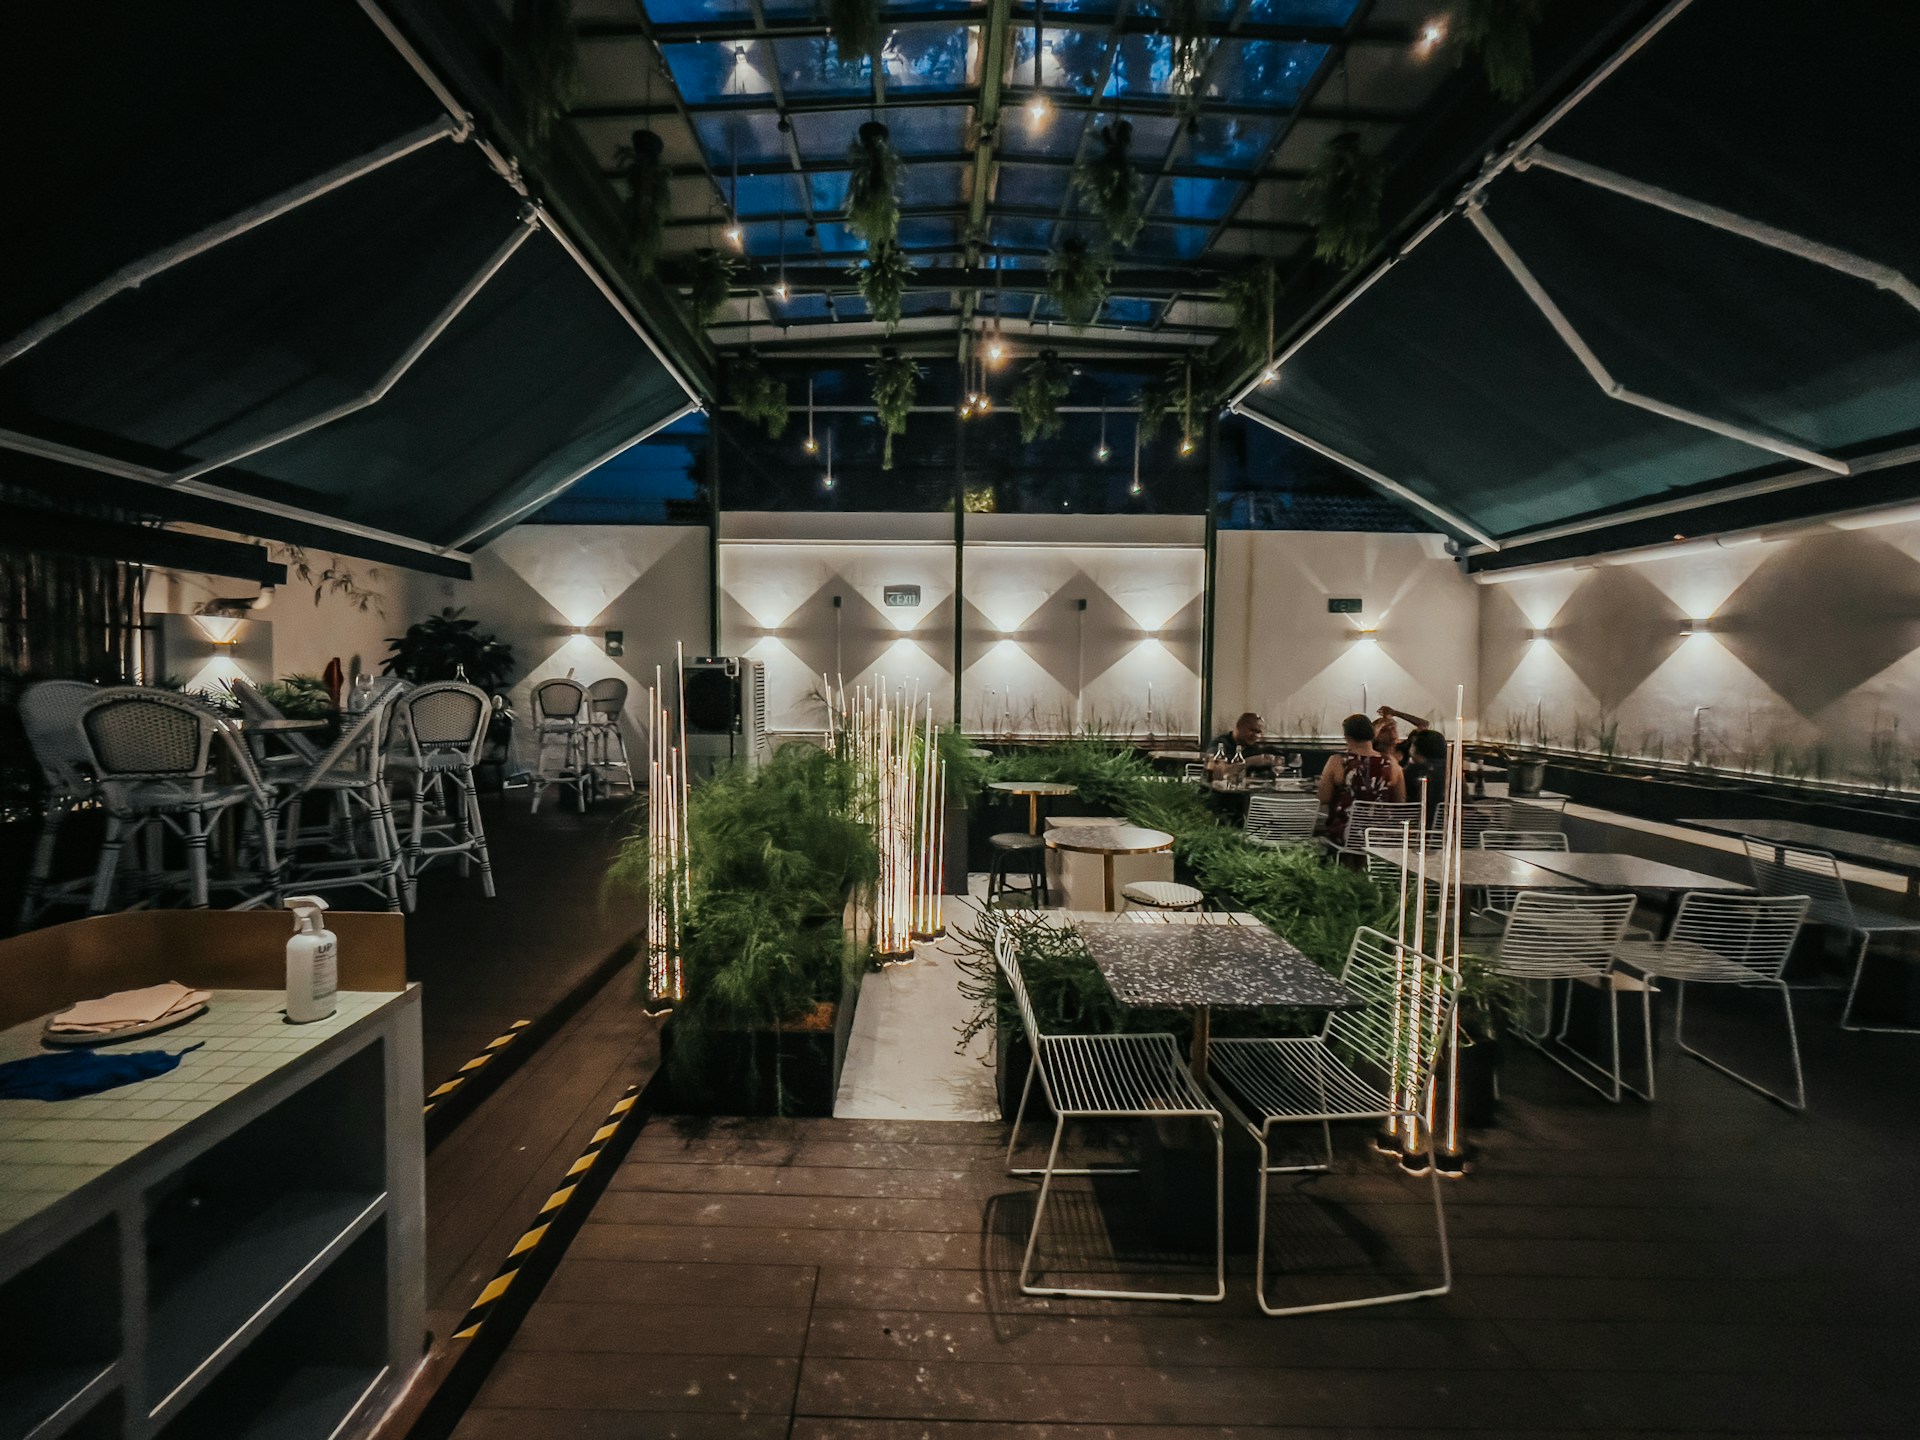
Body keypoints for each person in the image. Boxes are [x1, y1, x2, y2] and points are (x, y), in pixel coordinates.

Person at [1318, 711, 1404, 846]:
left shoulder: (1337, 761)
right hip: (1381, 835)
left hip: (1346, 833)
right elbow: (1400, 801)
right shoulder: (1392, 763)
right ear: (1372, 734)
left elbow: (1324, 797)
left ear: (1347, 737)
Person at [1205, 711, 1283, 779]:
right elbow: (1218, 773)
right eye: (1252, 730)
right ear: (1239, 727)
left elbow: (1262, 777)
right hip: (1214, 794)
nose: (1255, 735)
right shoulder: (1220, 744)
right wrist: (1249, 762)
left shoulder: (1253, 748)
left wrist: (1270, 765)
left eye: (1258, 732)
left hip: (1241, 794)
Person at [1401, 727, 1450, 823]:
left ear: (1415, 749)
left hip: (1421, 827)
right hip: (1454, 827)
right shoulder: (1453, 770)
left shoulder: (1412, 771)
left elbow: (1401, 801)